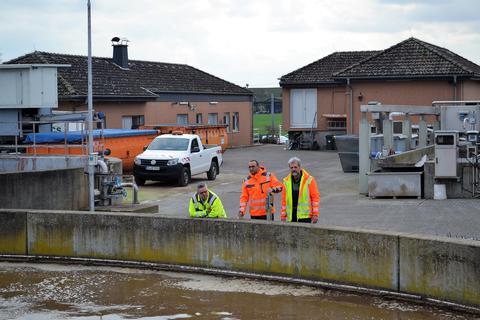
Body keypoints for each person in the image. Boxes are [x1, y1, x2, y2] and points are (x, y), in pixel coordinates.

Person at [281, 157, 320, 223]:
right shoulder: (286, 181)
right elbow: (284, 200)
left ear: (300, 167)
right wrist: (283, 215)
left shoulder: (309, 179)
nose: (293, 169)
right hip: (291, 216)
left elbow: (315, 198)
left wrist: (315, 214)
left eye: (295, 167)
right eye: (291, 167)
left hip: (305, 216)